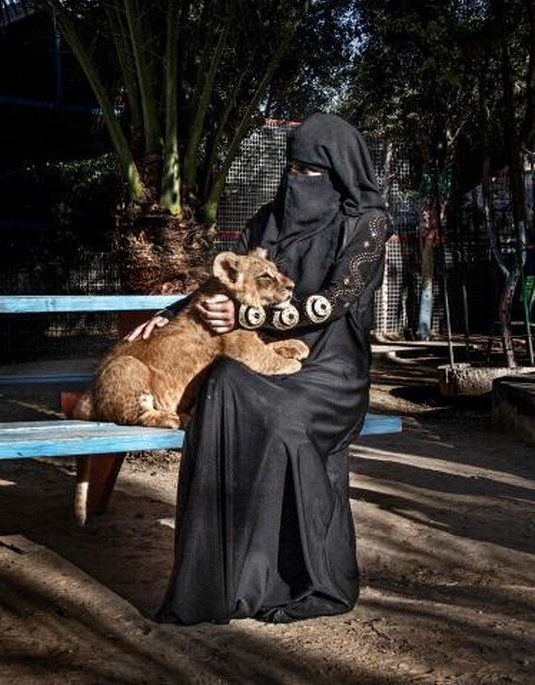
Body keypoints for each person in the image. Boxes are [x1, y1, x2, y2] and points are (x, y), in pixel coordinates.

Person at [130, 113, 393, 624]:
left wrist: (250, 314)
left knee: (284, 420)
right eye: (292, 168)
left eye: (312, 171)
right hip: (262, 354)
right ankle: (220, 583)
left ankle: (302, 578)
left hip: (332, 371)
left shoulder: (368, 223)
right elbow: (227, 284)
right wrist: (170, 312)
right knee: (224, 385)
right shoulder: (267, 223)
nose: (299, 181)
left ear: (341, 173)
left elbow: (330, 305)